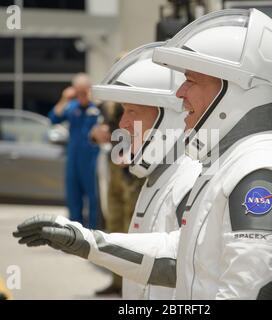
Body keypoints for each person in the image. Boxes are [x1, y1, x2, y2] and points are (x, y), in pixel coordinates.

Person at [13, 43, 202, 300]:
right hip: (107, 168)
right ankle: (115, 281)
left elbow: (176, 259)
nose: (123, 122)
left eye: (132, 111)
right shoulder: (158, 179)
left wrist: (87, 242)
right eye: (123, 111)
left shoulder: (188, 182)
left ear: (167, 118)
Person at [90, 102, 145, 296]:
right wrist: (97, 134)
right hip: (114, 167)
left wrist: (136, 153)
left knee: (131, 228)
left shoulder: (135, 96)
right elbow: (102, 129)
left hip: (133, 171)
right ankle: (117, 281)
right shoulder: (106, 104)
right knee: (114, 225)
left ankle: (130, 285)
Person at [48, 73, 100, 229]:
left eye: (84, 92)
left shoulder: (96, 108)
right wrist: (65, 98)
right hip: (73, 159)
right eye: (78, 92)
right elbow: (53, 118)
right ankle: (74, 231)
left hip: (91, 159)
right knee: (73, 196)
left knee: (93, 198)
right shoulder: (71, 107)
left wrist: (94, 100)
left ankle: (93, 231)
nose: (81, 96)